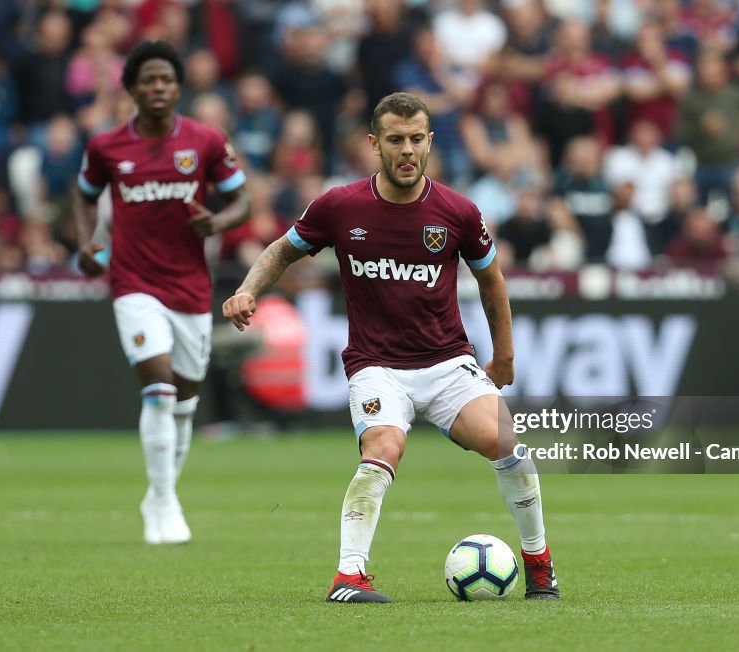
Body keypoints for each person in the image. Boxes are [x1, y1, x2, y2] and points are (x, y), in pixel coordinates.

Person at [222, 92, 558, 603]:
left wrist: (504, 354)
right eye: (396, 140)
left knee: (510, 447)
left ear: (430, 142)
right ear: (374, 144)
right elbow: (281, 251)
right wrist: (249, 289)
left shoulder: (458, 212)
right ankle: (348, 577)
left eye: (416, 139)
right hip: (376, 365)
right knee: (383, 448)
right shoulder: (340, 206)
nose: (407, 151)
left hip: (448, 363)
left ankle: (539, 566)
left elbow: (492, 282)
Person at [73, 40, 250, 545]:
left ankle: (160, 492)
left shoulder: (206, 141)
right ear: (131, 88)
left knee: (185, 402)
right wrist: (89, 241)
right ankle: (166, 505)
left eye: (166, 79)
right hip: (133, 282)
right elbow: (84, 196)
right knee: (159, 388)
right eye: (147, 79)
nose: (157, 87)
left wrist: (217, 220)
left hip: (190, 287)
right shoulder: (107, 147)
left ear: (178, 87)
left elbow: (242, 200)